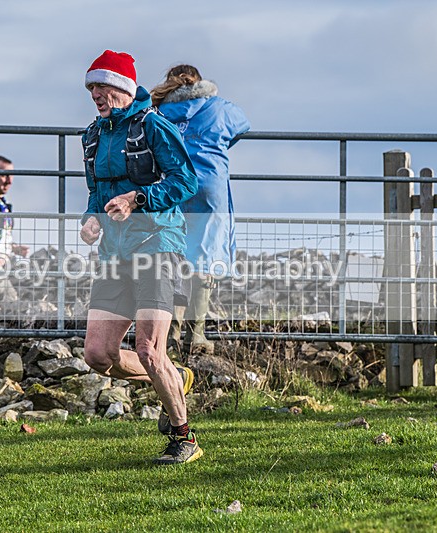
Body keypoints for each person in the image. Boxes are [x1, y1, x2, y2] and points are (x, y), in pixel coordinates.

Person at [79, 50, 202, 465]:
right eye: (91, 88)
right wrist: (91, 220)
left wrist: (139, 198)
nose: (95, 94)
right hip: (114, 252)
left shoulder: (154, 126)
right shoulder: (92, 135)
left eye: (102, 86)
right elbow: (96, 193)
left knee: (149, 349)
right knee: (97, 354)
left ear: (124, 88)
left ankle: (184, 437)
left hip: (157, 245)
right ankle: (175, 376)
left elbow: (186, 181)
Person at [151, 64, 250, 356]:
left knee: (175, 254)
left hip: (174, 185)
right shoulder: (218, 108)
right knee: (204, 256)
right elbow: (242, 123)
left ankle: (171, 333)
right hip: (210, 186)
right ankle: (196, 335)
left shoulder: (160, 112)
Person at [0, 155, 29, 265]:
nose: (9, 181)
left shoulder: (4, 205)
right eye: (4, 175)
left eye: (11, 175)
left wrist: (14, 248)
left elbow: (1, 237)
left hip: (3, 265)